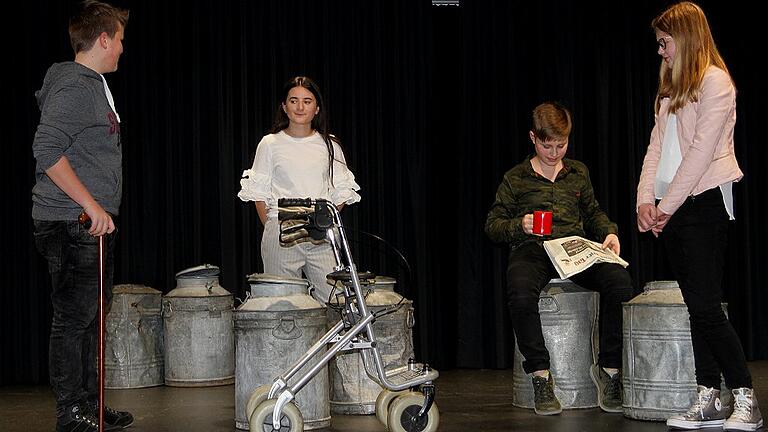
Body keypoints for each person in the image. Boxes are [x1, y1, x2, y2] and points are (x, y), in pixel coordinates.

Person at [636, 2, 762, 431]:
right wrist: (644, 201)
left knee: (707, 307)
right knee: (695, 307)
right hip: (673, 207)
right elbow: (656, 148)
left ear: (685, 37)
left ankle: (745, 395)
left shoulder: (716, 82)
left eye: (664, 42)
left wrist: (665, 207)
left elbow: (700, 153)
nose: (661, 51)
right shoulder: (670, 89)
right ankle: (708, 395)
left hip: (703, 202)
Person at [485, 102, 633, 416]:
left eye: (561, 145)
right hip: (533, 250)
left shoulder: (578, 172)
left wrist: (609, 232)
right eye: (547, 145)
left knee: (619, 282)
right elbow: (493, 225)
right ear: (532, 138)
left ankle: (610, 371)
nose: (554, 153)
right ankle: (540, 376)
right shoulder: (516, 178)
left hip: (574, 250)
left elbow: (593, 213)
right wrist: (519, 225)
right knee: (520, 291)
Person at [31, 1, 134, 431]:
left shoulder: (87, 84)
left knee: (92, 317)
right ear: (104, 39)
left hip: (87, 225)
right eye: (121, 41)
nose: (123, 50)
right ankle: (71, 412)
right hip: (73, 222)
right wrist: (90, 205)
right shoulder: (75, 85)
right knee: (74, 319)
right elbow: (47, 150)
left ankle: (90, 404)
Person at [238, 76, 361, 304]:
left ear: (316, 108)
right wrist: (275, 225)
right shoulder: (270, 143)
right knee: (283, 305)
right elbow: (259, 193)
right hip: (282, 229)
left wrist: (323, 219)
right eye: (293, 101)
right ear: (284, 107)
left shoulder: (329, 144)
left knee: (336, 303)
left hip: (320, 234)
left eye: (307, 100)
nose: (300, 107)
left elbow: (342, 190)